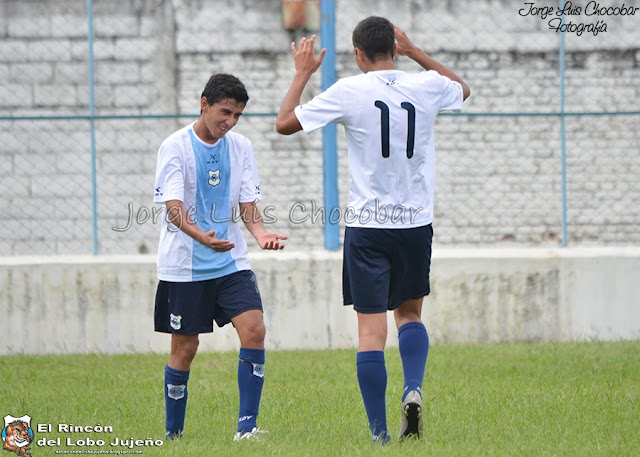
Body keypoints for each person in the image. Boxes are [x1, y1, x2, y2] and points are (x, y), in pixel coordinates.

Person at [276, 16, 471, 443]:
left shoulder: (349, 90)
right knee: (409, 315)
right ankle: (413, 388)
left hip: (367, 227)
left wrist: (303, 73)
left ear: (359, 55)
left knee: (370, 332)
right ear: (395, 49)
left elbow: (285, 122)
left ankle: (381, 436)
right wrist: (418, 52)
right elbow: (463, 89)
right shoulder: (428, 86)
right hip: (415, 223)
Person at [153, 73, 287, 442]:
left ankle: (246, 429)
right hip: (185, 265)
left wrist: (260, 235)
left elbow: (247, 203)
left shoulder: (240, 146)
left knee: (255, 329)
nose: (229, 122)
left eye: (237, 116)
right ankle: (174, 435)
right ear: (204, 104)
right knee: (186, 348)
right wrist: (203, 238)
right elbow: (174, 208)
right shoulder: (175, 147)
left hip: (230, 262)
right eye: (224, 112)